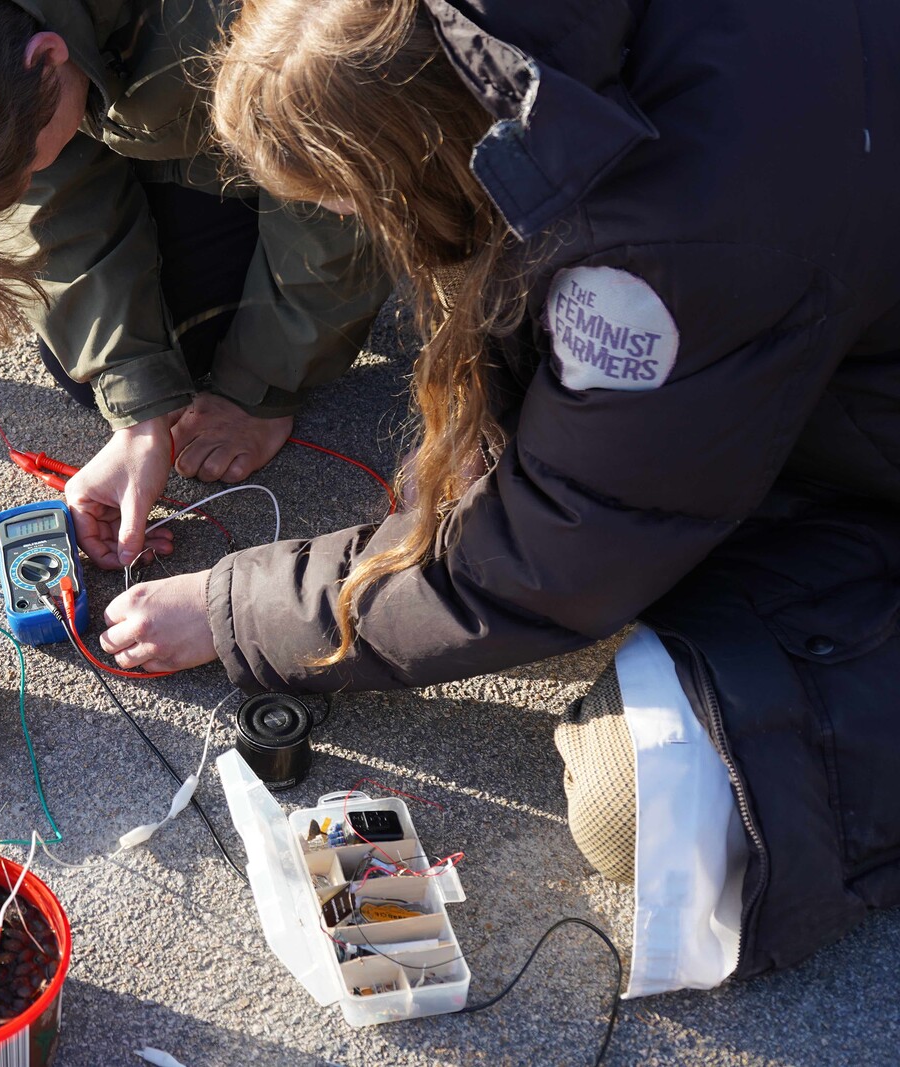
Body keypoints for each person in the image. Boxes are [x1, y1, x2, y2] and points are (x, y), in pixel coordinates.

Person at [99, 0, 900, 992]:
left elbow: (547, 560)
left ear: (431, 150)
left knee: (629, 802)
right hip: (828, 324)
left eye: (348, 205)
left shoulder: (662, 255)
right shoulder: (546, 66)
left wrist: (236, 609)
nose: (349, 229)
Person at [0, 0, 391, 571]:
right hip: (150, 92)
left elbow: (333, 192)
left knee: (214, 343)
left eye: (20, 163)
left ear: (47, 56)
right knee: (117, 369)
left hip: (323, 98)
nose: (26, 173)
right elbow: (48, 194)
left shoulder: (275, 28)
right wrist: (139, 408)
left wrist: (260, 386)